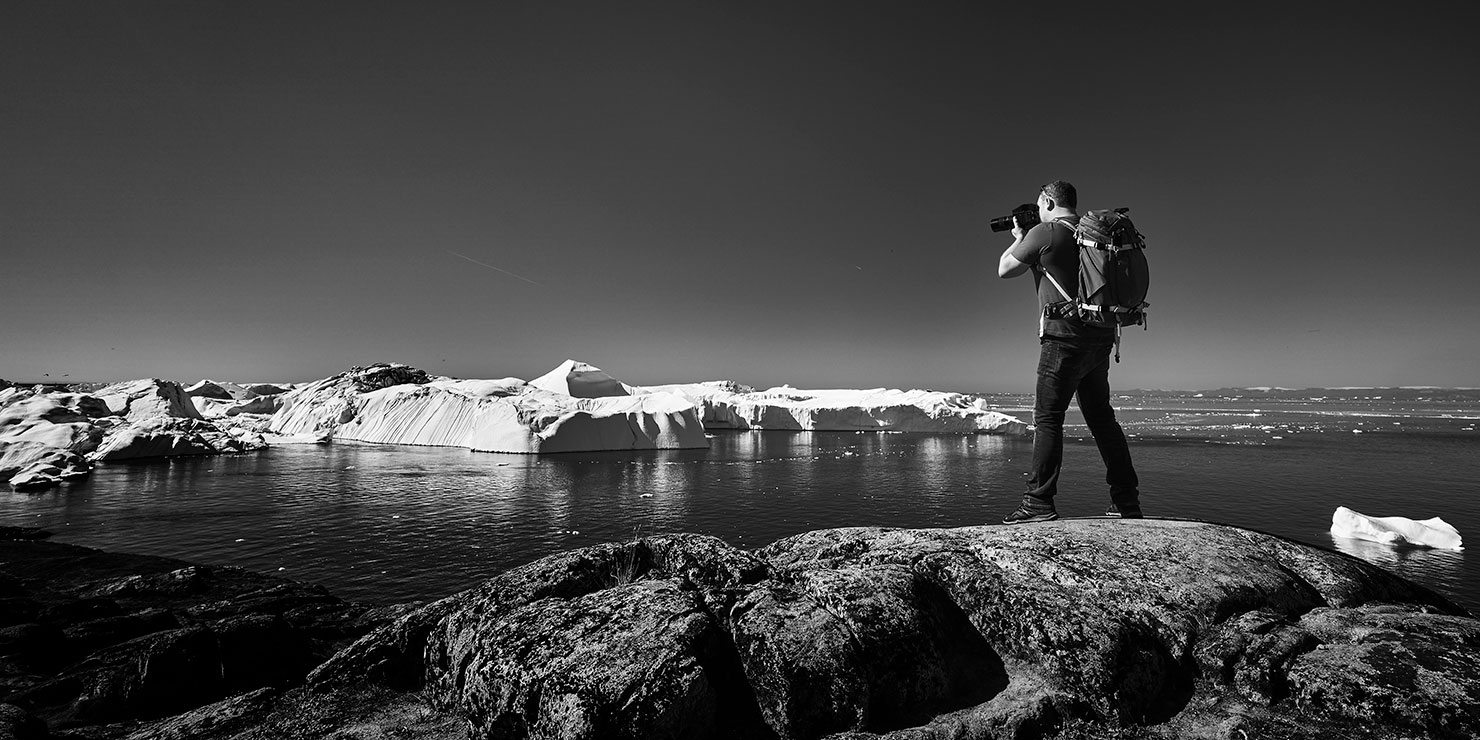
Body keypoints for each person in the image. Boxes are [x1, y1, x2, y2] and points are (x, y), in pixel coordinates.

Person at [996, 180, 1141, 523]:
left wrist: (1019, 236)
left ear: (1048, 200)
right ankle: (1126, 502)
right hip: (1100, 339)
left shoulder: (1046, 233)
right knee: (1103, 421)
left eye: (1039, 204)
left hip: (1062, 339)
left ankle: (1038, 503)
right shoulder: (1095, 232)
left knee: (1048, 419)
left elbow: (1004, 269)